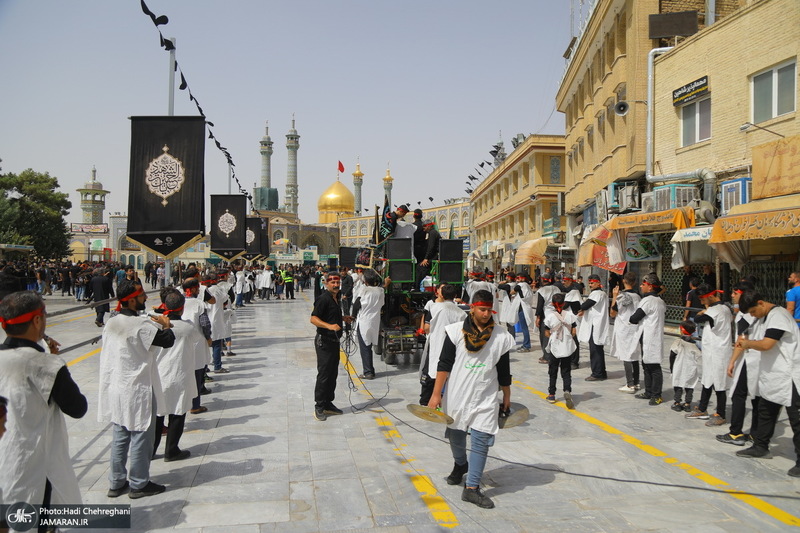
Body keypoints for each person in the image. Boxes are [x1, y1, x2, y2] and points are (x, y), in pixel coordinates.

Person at [0, 291, 87, 522]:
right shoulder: (45, 364)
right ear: (37, 320)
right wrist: (56, 365)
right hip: (32, 468)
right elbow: (78, 407)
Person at [427, 289, 514, 509]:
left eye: (489, 310)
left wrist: (507, 394)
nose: (486, 314)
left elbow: (504, 370)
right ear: (472, 308)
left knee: (481, 439)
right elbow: (444, 364)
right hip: (457, 392)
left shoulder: (501, 336)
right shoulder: (455, 331)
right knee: (455, 434)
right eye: (482, 310)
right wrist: (436, 393)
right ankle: (460, 465)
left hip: (485, 394)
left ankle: (472, 488)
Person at [97, 280, 175, 499]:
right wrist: (166, 324)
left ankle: (116, 482)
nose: (144, 299)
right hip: (137, 387)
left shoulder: (112, 321)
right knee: (142, 434)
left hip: (117, 386)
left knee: (120, 434)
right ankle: (139, 483)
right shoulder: (141, 325)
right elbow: (167, 340)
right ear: (131, 300)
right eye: (141, 296)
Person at [731, 290, 800, 477]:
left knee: (796, 418)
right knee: (765, 410)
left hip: (790, 374)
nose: (752, 315)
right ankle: (760, 446)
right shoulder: (762, 318)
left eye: (753, 311)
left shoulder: (778, 316)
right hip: (774, 373)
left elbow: (767, 344)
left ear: (761, 303)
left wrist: (748, 344)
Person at [152, 289, 197, 462]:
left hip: (160, 375)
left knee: (157, 415)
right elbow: (197, 340)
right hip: (180, 375)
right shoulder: (188, 327)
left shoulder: (154, 325)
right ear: (182, 308)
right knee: (178, 412)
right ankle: (171, 450)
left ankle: (150, 450)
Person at [717, 281, 760, 445]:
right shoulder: (756, 312)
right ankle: (756, 433)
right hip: (757, 358)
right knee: (757, 397)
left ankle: (735, 433)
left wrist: (732, 361)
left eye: (735, 293)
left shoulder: (745, 314)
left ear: (743, 293)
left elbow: (742, 339)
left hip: (747, 359)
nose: (732, 295)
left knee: (738, 395)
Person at [686, 284, 732, 425]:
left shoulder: (717, 310)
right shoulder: (722, 308)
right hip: (712, 350)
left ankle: (721, 414)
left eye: (702, 299)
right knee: (707, 379)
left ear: (710, 296)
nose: (701, 302)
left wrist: (702, 312)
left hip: (718, 351)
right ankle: (702, 408)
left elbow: (699, 319)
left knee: (719, 383)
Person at [310, 271, 350, 421]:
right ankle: (319, 406)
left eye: (337, 282)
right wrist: (329, 326)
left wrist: (343, 318)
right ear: (326, 283)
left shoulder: (336, 298)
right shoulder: (323, 299)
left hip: (334, 342)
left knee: (333, 373)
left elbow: (332, 315)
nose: (335, 285)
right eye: (332, 283)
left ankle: (328, 403)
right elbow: (313, 319)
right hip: (324, 342)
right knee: (324, 374)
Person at [418, 283, 466, 405]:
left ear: (442, 294)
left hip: (435, 345)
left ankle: (425, 402)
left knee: (430, 373)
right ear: (455, 296)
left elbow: (427, 327)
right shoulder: (462, 313)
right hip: (453, 349)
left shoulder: (434, 309)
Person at [629, 273, 667, 405]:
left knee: (654, 366)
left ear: (650, 287)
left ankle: (656, 395)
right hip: (651, 336)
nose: (641, 286)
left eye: (643, 284)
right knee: (646, 364)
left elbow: (635, 317)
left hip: (650, 336)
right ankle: (649, 391)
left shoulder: (648, 300)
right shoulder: (660, 301)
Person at [352, 269, 389, 380]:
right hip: (374, 321)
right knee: (369, 345)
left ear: (366, 281)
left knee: (365, 347)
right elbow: (382, 291)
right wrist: (386, 283)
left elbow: (356, 305)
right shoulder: (380, 291)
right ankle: (369, 370)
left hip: (364, 321)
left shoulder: (363, 290)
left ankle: (368, 372)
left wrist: (352, 317)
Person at [544, 293, 577, 409]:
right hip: (566, 348)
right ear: (564, 304)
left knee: (553, 371)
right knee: (566, 371)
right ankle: (567, 390)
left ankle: (552, 394)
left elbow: (546, 332)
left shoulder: (550, 317)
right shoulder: (570, 315)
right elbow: (574, 331)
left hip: (555, 348)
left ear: (552, 304)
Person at [611, 272, 642, 393]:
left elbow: (612, 313)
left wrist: (614, 296)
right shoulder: (638, 296)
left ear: (624, 281)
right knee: (634, 355)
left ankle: (630, 384)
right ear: (634, 282)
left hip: (624, 328)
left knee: (626, 356)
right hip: (634, 328)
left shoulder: (621, 296)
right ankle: (636, 381)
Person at [578, 275, 610, 381]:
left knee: (595, 349)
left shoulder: (597, 294)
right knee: (598, 349)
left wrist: (580, 308)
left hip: (595, 325)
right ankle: (601, 372)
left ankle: (597, 373)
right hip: (597, 324)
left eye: (592, 283)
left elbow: (586, 304)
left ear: (598, 283)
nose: (590, 285)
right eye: (589, 283)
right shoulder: (602, 294)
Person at [669, 321, 701, 412]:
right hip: (691, 368)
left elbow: (672, 355)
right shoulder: (694, 344)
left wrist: (671, 368)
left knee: (678, 384)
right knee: (689, 385)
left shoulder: (678, 342)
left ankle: (677, 403)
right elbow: (698, 356)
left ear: (681, 330)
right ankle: (687, 404)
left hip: (679, 366)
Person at [535, 273, 561, 364]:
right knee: (555, 335)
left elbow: (540, 306)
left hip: (545, 316)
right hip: (557, 315)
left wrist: (538, 318)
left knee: (545, 335)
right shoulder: (557, 289)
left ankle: (547, 356)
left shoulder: (542, 290)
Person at [415, 219, 441, 291]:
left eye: (424, 227)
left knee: (421, 267)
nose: (423, 229)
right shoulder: (433, 233)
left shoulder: (432, 233)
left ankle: (418, 288)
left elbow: (431, 247)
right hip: (434, 256)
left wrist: (426, 258)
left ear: (429, 226)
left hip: (435, 257)